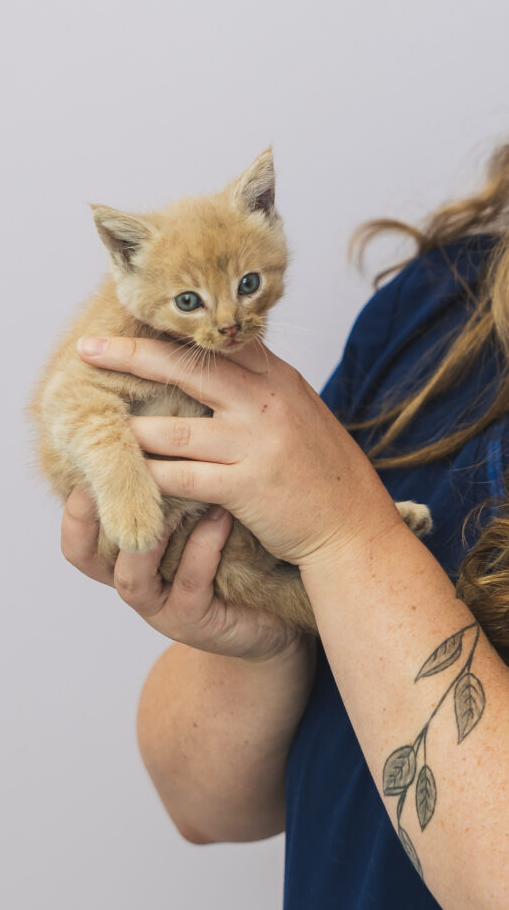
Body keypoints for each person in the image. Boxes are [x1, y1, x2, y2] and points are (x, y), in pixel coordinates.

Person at [60, 144, 509, 910]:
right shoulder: (433, 308)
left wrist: (349, 538)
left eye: (243, 287)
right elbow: (201, 805)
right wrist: (263, 639)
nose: (233, 321)